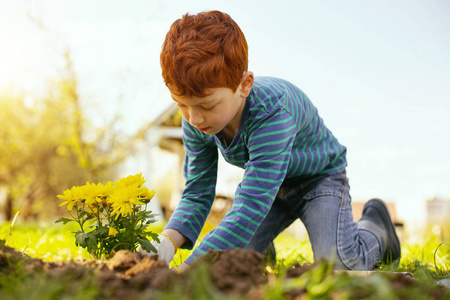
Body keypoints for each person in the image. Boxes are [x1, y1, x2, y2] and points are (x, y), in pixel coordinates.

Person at [145, 10, 400, 273]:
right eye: (182, 105)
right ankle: (261, 254)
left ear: (244, 85)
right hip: (271, 187)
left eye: (207, 105)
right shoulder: (196, 120)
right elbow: (197, 192)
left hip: (318, 180)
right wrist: (164, 244)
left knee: (339, 266)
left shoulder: (272, 113)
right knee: (234, 259)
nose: (194, 118)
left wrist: (187, 271)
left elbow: (251, 206)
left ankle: (376, 232)